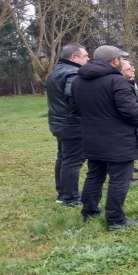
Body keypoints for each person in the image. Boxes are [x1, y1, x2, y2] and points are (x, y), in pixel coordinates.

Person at [71, 46, 138, 231]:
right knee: (120, 179)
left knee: (94, 176)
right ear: (114, 61)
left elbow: (74, 109)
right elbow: (130, 111)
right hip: (118, 140)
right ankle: (115, 220)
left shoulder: (77, 81)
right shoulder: (116, 81)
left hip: (91, 138)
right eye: (121, 59)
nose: (122, 61)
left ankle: (89, 212)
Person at [45, 43, 89, 207]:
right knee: (72, 161)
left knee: (63, 158)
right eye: (85, 56)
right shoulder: (74, 72)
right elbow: (74, 96)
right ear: (74, 57)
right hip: (71, 124)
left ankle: (63, 194)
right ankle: (70, 198)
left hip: (57, 121)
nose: (88, 58)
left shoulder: (55, 72)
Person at [120, 60, 138, 181]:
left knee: (134, 144)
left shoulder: (129, 82)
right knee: (126, 148)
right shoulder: (120, 85)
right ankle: (125, 178)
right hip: (127, 123)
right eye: (130, 68)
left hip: (134, 122)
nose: (133, 70)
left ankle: (129, 173)